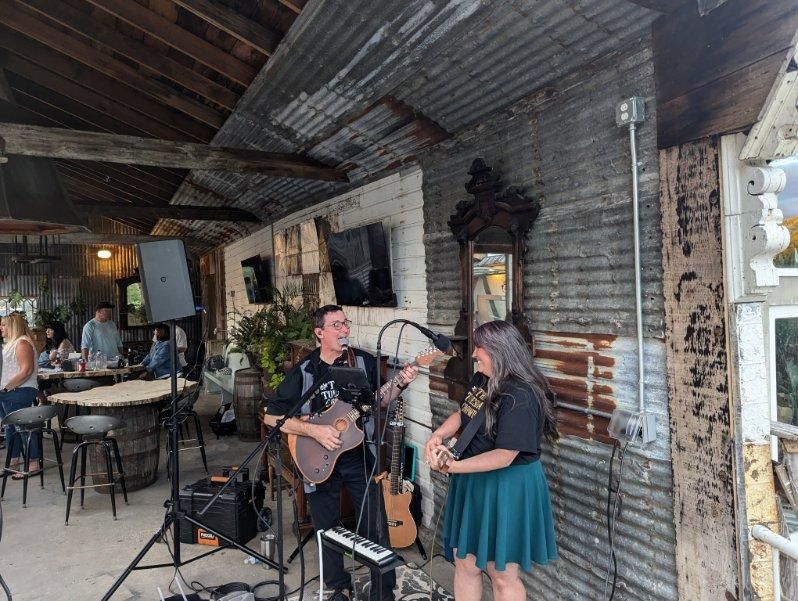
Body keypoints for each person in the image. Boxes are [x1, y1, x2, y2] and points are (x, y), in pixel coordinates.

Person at [263, 305, 418, 601]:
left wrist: (402, 382)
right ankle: (338, 586)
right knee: (327, 528)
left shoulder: (361, 361)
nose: (344, 329)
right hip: (318, 458)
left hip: (359, 456)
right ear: (319, 333)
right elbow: (273, 417)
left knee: (375, 524)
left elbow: (380, 402)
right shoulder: (306, 370)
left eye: (345, 324)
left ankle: (383, 591)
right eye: (336, 325)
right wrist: (315, 430)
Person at [425, 320, 559, 601]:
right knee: (466, 563)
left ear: (499, 351)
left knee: (501, 574)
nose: (474, 355)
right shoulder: (484, 378)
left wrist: (452, 466)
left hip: (507, 486)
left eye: (480, 348)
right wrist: (437, 436)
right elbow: (463, 415)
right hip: (474, 479)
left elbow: (504, 456)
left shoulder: (520, 394)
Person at [0, 313, 40, 477]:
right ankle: (14, 461)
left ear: (12, 326)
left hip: (20, 391)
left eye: (3, 325)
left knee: (23, 427)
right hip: (9, 392)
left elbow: (26, 371)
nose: (1, 328)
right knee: (10, 427)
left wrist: (6, 388)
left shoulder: (22, 342)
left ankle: (33, 463)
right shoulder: (11, 343)